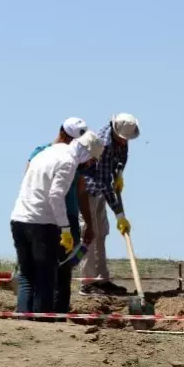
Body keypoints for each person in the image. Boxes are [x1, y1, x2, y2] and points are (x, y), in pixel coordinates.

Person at [10, 130, 105, 315]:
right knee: (46, 277)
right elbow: (56, 196)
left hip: (19, 219)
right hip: (41, 223)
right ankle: (43, 326)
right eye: (92, 160)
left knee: (27, 276)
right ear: (86, 152)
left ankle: (23, 324)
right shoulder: (69, 162)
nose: (89, 165)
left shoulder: (48, 152)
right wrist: (66, 230)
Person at [78, 112, 141, 296]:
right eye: (123, 139)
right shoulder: (103, 145)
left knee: (101, 234)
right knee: (89, 235)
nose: (125, 142)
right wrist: (119, 214)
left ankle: (102, 280)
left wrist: (120, 173)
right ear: (115, 129)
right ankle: (87, 283)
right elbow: (105, 184)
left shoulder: (121, 137)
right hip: (88, 192)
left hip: (100, 193)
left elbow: (123, 155)